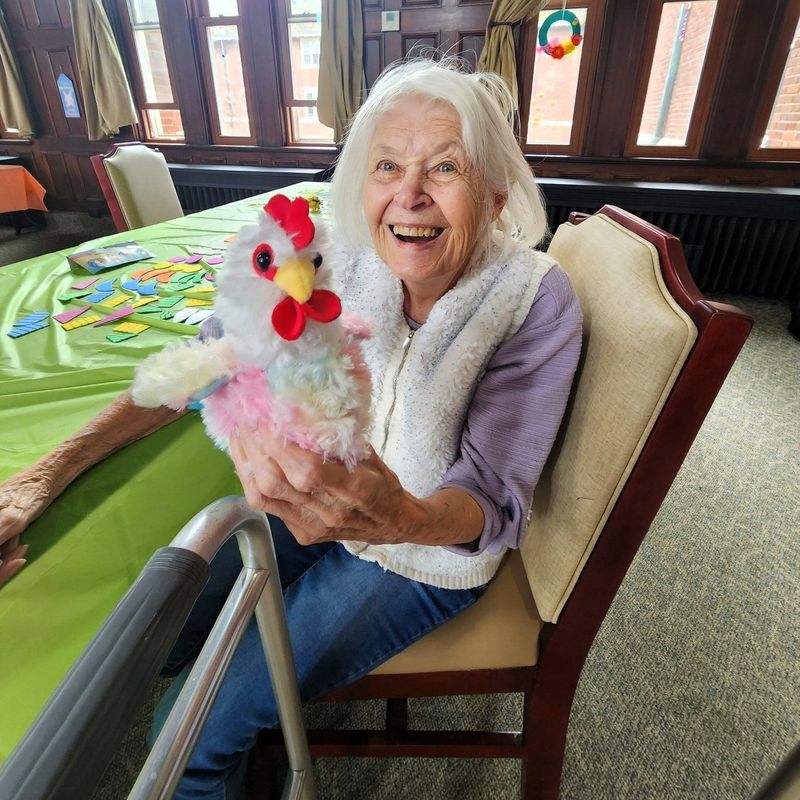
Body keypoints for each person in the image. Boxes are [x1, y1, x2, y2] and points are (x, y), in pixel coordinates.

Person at [0, 58, 582, 798]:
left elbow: (494, 500)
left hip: (422, 556)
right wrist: (45, 473)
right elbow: (207, 356)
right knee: (159, 636)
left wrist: (401, 514)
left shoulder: (533, 301)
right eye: (387, 165)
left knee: (188, 732)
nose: (409, 194)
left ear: (497, 197)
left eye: (445, 167)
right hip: (308, 511)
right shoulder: (330, 253)